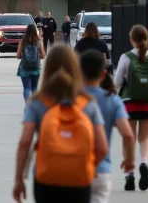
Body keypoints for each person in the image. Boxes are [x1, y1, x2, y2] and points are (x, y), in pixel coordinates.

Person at [13, 45, 108, 203]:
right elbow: (103, 147)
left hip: (46, 176)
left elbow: (25, 142)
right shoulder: (87, 104)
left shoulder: (37, 103)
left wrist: (19, 179)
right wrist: (87, 166)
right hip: (79, 178)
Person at [114, 25, 148, 192]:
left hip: (129, 102)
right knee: (145, 138)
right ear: (147, 38)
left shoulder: (126, 57)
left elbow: (116, 82)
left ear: (131, 39)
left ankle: (129, 174)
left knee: (128, 138)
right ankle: (144, 162)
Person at [80, 49, 135, 203]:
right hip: (100, 170)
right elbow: (128, 134)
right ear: (103, 74)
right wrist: (129, 160)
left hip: (73, 170)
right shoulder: (112, 100)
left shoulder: (71, 99)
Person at [16, 24, 45, 104]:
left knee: (26, 88)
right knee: (34, 88)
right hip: (36, 68)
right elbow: (43, 56)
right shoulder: (39, 42)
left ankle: (27, 104)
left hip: (24, 68)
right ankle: (35, 106)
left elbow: (18, 56)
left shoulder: (22, 41)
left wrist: (24, 55)